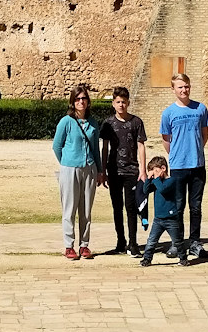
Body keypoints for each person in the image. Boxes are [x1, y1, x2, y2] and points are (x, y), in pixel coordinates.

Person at [159, 72, 208, 260]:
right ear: (173, 90)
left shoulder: (200, 109)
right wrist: (176, 155)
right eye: (180, 87)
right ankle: (177, 243)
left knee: (195, 207)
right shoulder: (168, 113)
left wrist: (194, 151)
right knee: (178, 207)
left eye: (186, 86)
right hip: (178, 167)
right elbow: (166, 139)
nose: (184, 90)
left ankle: (195, 242)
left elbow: (204, 135)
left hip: (197, 165)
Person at [50, 84, 104, 260]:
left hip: (89, 167)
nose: (81, 102)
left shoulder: (93, 123)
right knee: (69, 208)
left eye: (84, 98)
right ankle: (68, 245)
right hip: (70, 168)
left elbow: (96, 148)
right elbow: (57, 146)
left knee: (86, 209)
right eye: (78, 99)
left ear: (88, 101)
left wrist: (100, 170)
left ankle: (84, 245)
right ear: (73, 102)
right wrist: (67, 162)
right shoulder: (66, 121)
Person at [99, 86, 148, 257]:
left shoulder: (136, 122)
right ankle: (121, 241)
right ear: (113, 103)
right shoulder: (108, 123)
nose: (121, 105)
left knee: (131, 207)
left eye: (124, 102)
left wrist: (143, 170)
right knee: (117, 207)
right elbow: (104, 148)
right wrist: (103, 170)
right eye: (118, 102)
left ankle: (133, 243)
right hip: (114, 170)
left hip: (131, 170)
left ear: (128, 103)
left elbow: (141, 146)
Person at [138, 156, 188, 267]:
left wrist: (155, 180)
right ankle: (147, 259)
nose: (154, 174)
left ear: (163, 168)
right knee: (151, 241)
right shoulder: (156, 183)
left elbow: (163, 189)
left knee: (177, 240)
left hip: (171, 219)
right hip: (158, 219)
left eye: (155, 171)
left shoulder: (171, 181)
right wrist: (149, 179)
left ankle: (183, 258)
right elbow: (145, 190)